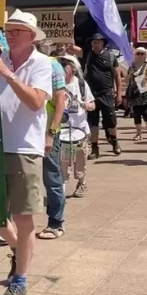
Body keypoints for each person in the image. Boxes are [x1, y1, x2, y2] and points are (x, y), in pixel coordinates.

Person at [0, 9, 52, 295]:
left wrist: (8, 75)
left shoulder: (42, 64)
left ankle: (20, 278)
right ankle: (19, 250)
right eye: (8, 30)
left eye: (17, 31)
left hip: (24, 149)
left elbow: (35, 103)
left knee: (23, 216)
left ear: (31, 36)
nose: (10, 35)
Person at [35, 41, 67, 240]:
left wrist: (51, 133)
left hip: (46, 133)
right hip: (25, 132)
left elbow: (60, 101)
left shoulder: (52, 65)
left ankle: (55, 223)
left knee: (52, 178)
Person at [59, 55, 95, 198]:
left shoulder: (81, 84)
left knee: (80, 162)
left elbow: (93, 104)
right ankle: (60, 191)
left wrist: (87, 105)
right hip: (62, 132)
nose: (62, 67)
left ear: (73, 68)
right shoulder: (56, 84)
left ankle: (81, 182)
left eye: (65, 64)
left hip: (80, 131)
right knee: (63, 163)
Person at [84, 33, 122, 158]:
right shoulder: (88, 56)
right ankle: (95, 149)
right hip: (91, 96)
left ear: (103, 43)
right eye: (94, 42)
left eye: (98, 42)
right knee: (93, 123)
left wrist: (119, 94)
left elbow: (117, 76)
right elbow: (72, 48)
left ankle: (114, 142)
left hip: (107, 94)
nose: (95, 44)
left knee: (111, 121)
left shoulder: (111, 57)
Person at [127, 47, 147, 140]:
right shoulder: (132, 66)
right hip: (135, 93)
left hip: (145, 93)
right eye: (138, 53)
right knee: (136, 114)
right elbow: (127, 80)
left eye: (142, 54)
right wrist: (129, 74)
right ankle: (139, 133)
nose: (140, 56)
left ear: (145, 55)